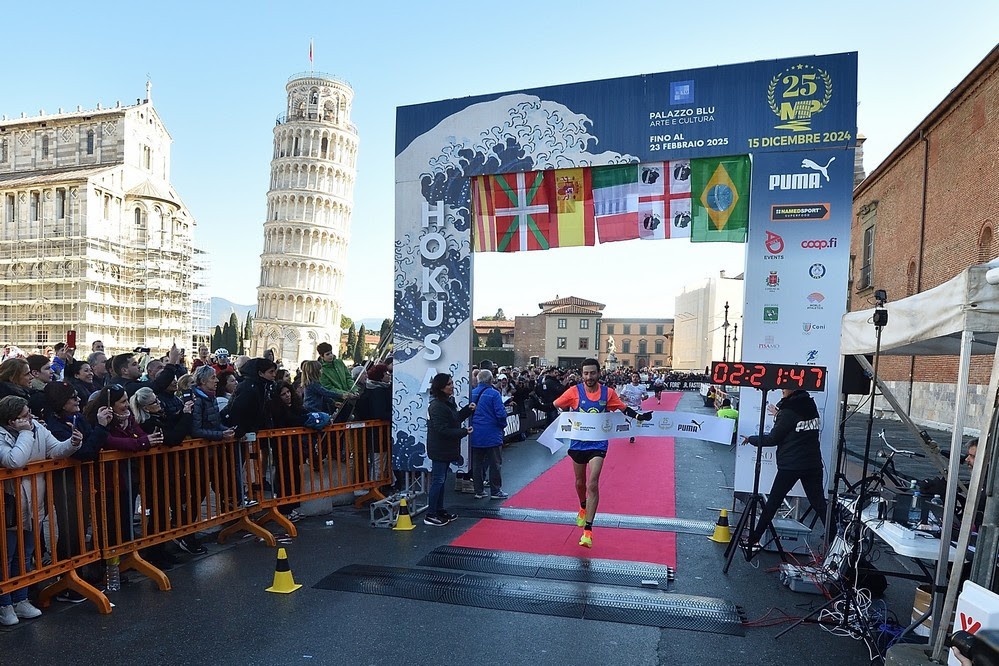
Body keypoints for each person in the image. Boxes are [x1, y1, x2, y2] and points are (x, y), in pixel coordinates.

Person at [0, 394, 82, 624]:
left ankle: (21, 598)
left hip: (34, 500)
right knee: (6, 555)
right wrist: (26, 433)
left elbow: (56, 449)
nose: (31, 418)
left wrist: (73, 443)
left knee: (25, 553)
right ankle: (4, 603)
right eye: (25, 416)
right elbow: (14, 460)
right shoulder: (4, 434)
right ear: (10, 421)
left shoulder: (36, 427)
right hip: (9, 503)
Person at [553, 358, 652, 548]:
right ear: (582, 374)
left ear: (599, 373)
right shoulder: (574, 391)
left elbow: (623, 409)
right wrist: (566, 416)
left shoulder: (608, 393)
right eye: (586, 373)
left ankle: (588, 531)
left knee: (593, 483)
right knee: (580, 483)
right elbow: (557, 404)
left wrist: (639, 416)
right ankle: (582, 506)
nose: (589, 377)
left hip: (598, 443)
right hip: (578, 443)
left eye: (592, 373)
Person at [741, 388, 827, 557]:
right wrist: (779, 413)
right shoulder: (810, 405)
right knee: (820, 505)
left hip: (791, 465)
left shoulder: (787, 412)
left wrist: (751, 439)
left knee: (772, 503)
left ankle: (754, 539)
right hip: (812, 463)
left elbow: (772, 439)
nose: (781, 390)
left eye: (784, 389)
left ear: (791, 390)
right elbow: (796, 423)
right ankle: (835, 540)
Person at [425, 373, 475, 526]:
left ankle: (439, 510)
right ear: (440, 387)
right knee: (438, 481)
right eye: (449, 384)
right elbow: (442, 429)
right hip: (440, 448)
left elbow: (455, 419)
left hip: (445, 448)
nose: (452, 386)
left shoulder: (446, 403)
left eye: (452, 383)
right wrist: (463, 432)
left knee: (441, 480)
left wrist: (467, 410)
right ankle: (431, 514)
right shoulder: (437, 406)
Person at [469, 369, 509, 499]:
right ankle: (495, 491)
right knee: (495, 463)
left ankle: (479, 490)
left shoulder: (472, 393)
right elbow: (501, 413)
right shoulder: (494, 394)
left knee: (477, 463)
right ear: (491, 380)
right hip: (492, 433)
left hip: (475, 433)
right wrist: (502, 425)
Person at [618, 373, 649, 443]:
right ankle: (630, 434)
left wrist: (644, 398)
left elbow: (646, 396)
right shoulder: (627, 386)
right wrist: (624, 398)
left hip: (637, 407)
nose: (635, 378)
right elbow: (621, 395)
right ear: (631, 378)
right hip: (628, 407)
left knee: (635, 422)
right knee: (629, 422)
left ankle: (632, 435)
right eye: (633, 377)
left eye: (636, 377)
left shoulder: (642, 387)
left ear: (638, 378)